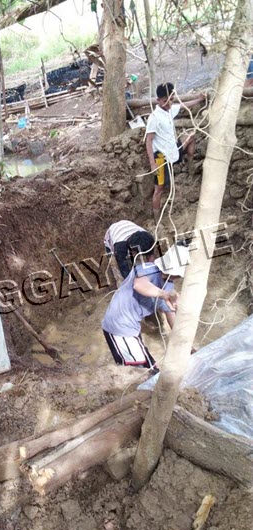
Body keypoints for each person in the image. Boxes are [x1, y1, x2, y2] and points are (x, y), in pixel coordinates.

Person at [102, 243, 189, 370]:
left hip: (131, 327)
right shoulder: (147, 269)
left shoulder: (168, 286)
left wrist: (184, 342)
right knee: (142, 370)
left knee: (143, 367)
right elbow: (139, 285)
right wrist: (163, 294)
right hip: (119, 326)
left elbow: (170, 313)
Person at [145, 82, 206, 223]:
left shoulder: (170, 110)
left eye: (171, 99)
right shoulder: (154, 118)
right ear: (158, 100)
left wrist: (200, 98)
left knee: (191, 137)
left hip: (174, 151)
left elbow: (185, 105)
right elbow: (149, 141)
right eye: (165, 100)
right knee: (159, 189)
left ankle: (190, 166)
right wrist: (153, 164)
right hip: (161, 157)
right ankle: (157, 220)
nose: (168, 102)